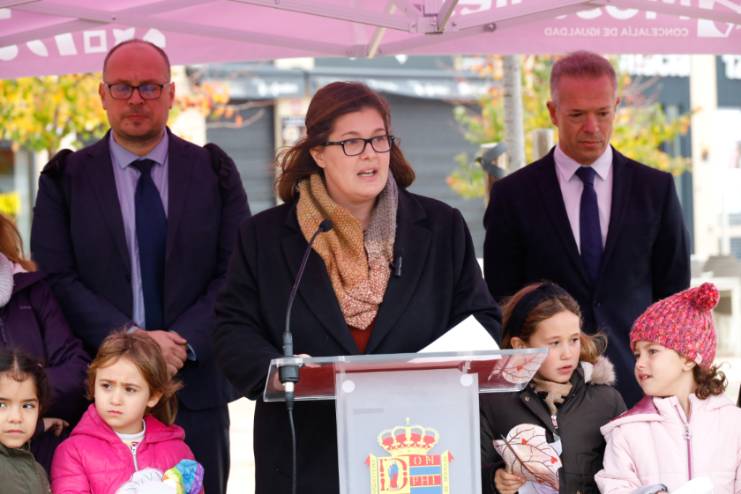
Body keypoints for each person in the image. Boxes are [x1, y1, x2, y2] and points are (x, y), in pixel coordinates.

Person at [214, 81, 502, 493]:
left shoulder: (441, 227)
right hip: (308, 454)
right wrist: (278, 373)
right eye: (351, 142)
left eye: (379, 139)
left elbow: (483, 320)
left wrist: (430, 372)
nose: (370, 153)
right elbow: (232, 330)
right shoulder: (264, 237)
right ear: (318, 153)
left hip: (417, 448)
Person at [31, 39, 250, 493]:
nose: (135, 99)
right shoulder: (65, 178)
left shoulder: (213, 171)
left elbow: (236, 271)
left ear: (171, 94)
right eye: (122, 87)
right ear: (102, 94)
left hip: (193, 391)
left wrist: (180, 343)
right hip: (101, 399)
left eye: (149, 87)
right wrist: (133, 342)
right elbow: (56, 278)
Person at [483, 51, 690, 407]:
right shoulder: (512, 196)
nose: (592, 127)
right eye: (577, 115)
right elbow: (503, 303)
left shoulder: (655, 189)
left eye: (603, 113)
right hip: (546, 397)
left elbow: (674, 298)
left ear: (617, 107)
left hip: (639, 389)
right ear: (553, 112)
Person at [480, 282, 625, 494]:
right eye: (554, 343)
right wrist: (494, 480)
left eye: (574, 340)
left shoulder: (607, 401)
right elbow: (465, 473)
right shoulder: (492, 402)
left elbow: (629, 474)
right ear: (520, 346)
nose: (567, 354)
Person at [595, 283, 741, 493]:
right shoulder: (627, 431)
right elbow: (615, 486)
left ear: (688, 359)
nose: (639, 363)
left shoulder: (734, 424)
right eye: (637, 354)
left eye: (652, 351)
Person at [51, 331, 200, 493]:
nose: (115, 399)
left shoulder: (178, 451)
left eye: (129, 389)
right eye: (106, 386)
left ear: (153, 396)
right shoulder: (73, 451)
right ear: (93, 386)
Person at [0, 214, 89, 473]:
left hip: (45, 462)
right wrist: (34, 420)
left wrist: (17, 400)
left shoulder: (31, 288)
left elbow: (78, 370)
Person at [0, 349, 52, 494]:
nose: (16, 417)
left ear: (39, 409)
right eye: (1, 405)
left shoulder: (38, 472)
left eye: (27, 406)